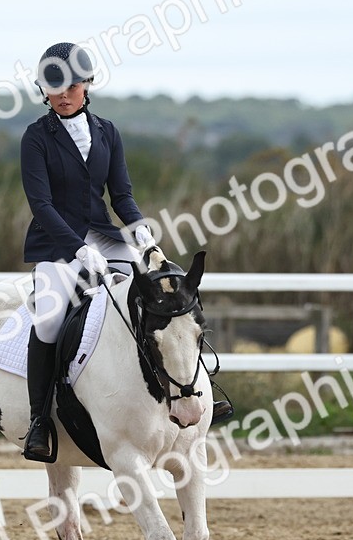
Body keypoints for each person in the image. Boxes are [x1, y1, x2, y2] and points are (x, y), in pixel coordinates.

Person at [18, 42, 232, 462]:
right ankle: (39, 421)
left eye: (71, 86)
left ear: (87, 84)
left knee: (165, 297)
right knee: (47, 321)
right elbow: (40, 206)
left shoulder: (107, 132)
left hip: (106, 237)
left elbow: (122, 196)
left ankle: (194, 390)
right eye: (53, 87)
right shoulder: (35, 138)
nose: (62, 95)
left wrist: (143, 236)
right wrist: (77, 250)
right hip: (57, 246)